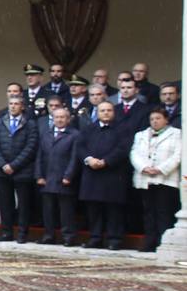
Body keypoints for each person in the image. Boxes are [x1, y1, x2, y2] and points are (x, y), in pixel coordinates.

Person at [71, 101, 133, 250]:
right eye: (102, 110)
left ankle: (114, 239)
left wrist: (106, 161)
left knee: (113, 210)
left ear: (114, 112)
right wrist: (89, 159)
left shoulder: (123, 128)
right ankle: (95, 237)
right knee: (93, 209)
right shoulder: (88, 129)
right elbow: (80, 147)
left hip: (113, 174)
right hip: (92, 175)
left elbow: (123, 149)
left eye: (109, 110)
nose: (106, 113)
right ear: (97, 113)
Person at [131, 107, 181, 252]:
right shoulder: (141, 135)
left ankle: (163, 241)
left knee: (163, 211)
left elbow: (177, 155)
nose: (155, 121)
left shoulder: (176, 134)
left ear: (166, 119)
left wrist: (160, 169)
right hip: (145, 178)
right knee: (148, 211)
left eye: (158, 118)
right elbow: (134, 153)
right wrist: (145, 167)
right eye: (152, 119)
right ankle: (149, 242)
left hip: (165, 179)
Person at [0, 95, 38, 242]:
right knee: (5, 203)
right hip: (2, 170)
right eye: (11, 103)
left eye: (16, 104)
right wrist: (3, 164)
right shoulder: (0, 123)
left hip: (22, 171)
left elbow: (31, 147)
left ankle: (22, 233)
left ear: (22, 106)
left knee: (23, 204)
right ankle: (6, 232)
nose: (13, 106)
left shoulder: (30, 124)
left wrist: (14, 165)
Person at [36, 106, 81, 246]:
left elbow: (75, 158)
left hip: (64, 178)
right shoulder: (46, 134)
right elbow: (39, 156)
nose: (59, 120)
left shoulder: (75, 135)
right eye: (57, 117)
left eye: (62, 117)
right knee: (48, 210)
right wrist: (39, 175)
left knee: (66, 211)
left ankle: (68, 237)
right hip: (47, 178)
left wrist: (69, 175)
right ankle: (49, 235)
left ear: (68, 119)